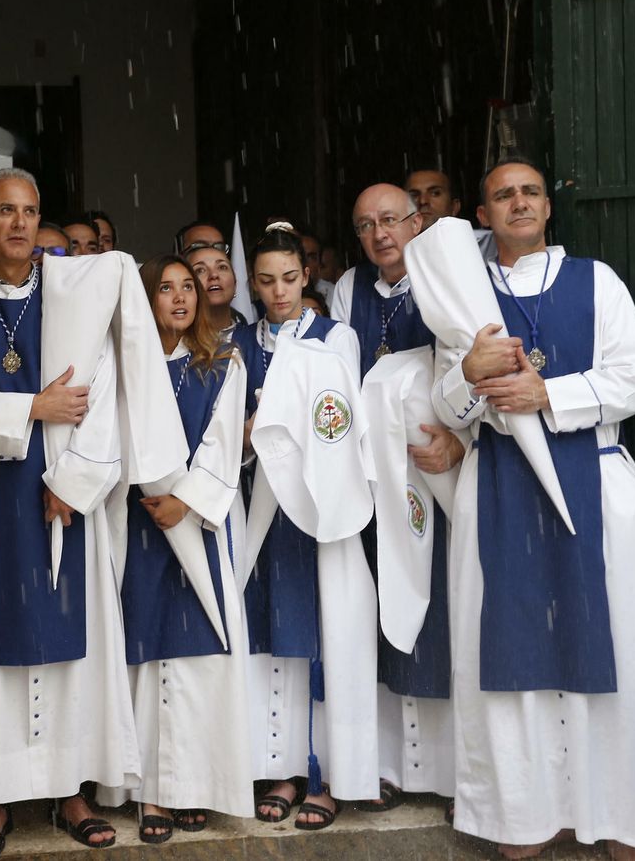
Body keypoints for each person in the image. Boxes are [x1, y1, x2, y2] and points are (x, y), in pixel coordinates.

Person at [429, 157, 635, 859]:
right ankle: (525, 821)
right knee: (510, 662)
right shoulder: (461, 296)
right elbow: (444, 407)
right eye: (502, 196)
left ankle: (628, 820)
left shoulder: (596, 281)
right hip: (500, 489)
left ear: (548, 207)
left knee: (621, 653)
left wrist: (552, 396)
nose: (518, 204)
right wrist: (469, 376)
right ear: (481, 215)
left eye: (530, 193)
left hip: (597, 482)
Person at [0, 168, 134, 857]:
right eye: (4, 211)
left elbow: (107, 390)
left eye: (30, 212)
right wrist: (31, 408)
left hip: (65, 499)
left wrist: (76, 481)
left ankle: (71, 793)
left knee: (73, 646)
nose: (18, 224)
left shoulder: (74, 296)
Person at [234, 223, 376, 832]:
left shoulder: (334, 336)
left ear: (306, 275)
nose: (278, 291)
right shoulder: (237, 339)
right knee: (267, 630)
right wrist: (244, 434)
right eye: (265, 281)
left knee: (321, 632)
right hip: (257, 502)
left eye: (289, 278)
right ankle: (277, 767)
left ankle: (324, 771)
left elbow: (340, 416)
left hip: (317, 501)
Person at [329, 184, 463, 814]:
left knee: (441, 609)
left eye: (390, 219)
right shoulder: (348, 292)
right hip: (372, 480)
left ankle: (454, 771)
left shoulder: (450, 277)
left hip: (433, 478)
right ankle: (382, 764)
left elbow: (473, 366)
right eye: (365, 225)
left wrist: (461, 444)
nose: (380, 233)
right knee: (378, 613)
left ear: (419, 221)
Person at [109, 255, 253, 842]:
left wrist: (188, 501)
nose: (179, 298)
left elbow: (222, 442)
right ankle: (149, 791)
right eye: (164, 288)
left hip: (198, 526)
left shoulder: (222, 363)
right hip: (141, 524)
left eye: (187, 288)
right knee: (146, 650)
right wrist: (155, 498)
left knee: (199, 652)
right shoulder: (123, 364)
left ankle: (196, 785)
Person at [407, 166, 497, 260]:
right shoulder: (394, 252)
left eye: (435, 193)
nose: (423, 201)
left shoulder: (485, 244)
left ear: (454, 206)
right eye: (414, 195)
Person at [177, 222, 241, 333]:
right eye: (200, 270)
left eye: (222, 267)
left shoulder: (257, 338)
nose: (214, 275)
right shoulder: (172, 344)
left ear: (235, 282)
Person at [300, 232, 336, 308]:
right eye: (300, 256)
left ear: (319, 265)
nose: (305, 262)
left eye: (311, 258)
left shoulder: (335, 294)